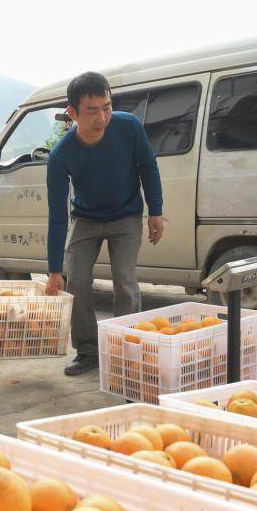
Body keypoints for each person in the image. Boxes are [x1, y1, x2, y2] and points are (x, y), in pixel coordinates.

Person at [46, 72, 165, 375]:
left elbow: (147, 166)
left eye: (107, 107)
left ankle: (126, 348)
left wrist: (156, 211)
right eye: (92, 110)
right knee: (77, 282)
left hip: (126, 215)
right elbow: (57, 214)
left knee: (124, 280)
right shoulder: (61, 156)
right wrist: (53, 270)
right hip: (85, 218)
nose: (102, 117)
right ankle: (87, 350)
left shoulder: (128, 126)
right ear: (72, 113)